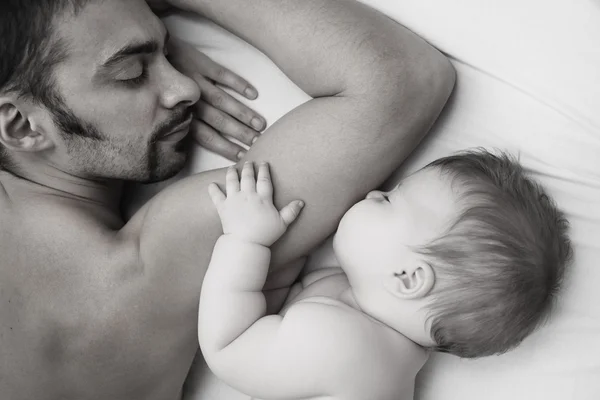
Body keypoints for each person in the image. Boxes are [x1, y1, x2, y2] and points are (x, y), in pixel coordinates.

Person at [0, 0, 455, 399]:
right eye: (131, 74)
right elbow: (403, 80)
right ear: (21, 126)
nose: (185, 88)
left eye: (168, 47)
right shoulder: (133, 274)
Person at [199, 150, 572, 400]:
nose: (375, 192)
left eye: (392, 199)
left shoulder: (333, 342)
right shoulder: (390, 359)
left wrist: (245, 240)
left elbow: (227, 346)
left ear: (407, 278)